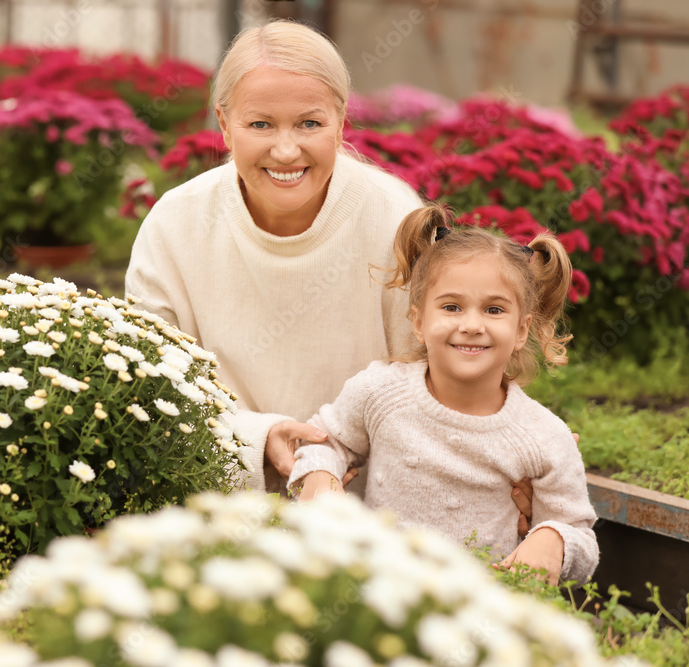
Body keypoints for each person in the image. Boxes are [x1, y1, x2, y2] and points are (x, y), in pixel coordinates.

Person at [124, 19, 535, 532]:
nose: (286, 150)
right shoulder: (175, 222)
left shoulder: (391, 215)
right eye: (260, 125)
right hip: (216, 498)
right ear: (225, 125)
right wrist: (256, 437)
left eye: (309, 124)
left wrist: (519, 439)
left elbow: (432, 369)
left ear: (341, 123)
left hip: (371, 511)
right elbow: (153, 385)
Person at [290, 204, 599, 584]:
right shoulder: (381, 392)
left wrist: (552, 539)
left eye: (493, 310)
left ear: (522, 330)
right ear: (419, 322)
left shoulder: (543, 436)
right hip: (372, 601)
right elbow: (326, 440)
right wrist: (320, 476)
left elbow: (580, 537)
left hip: (479, 617)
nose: (471, 325)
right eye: (451, 307)